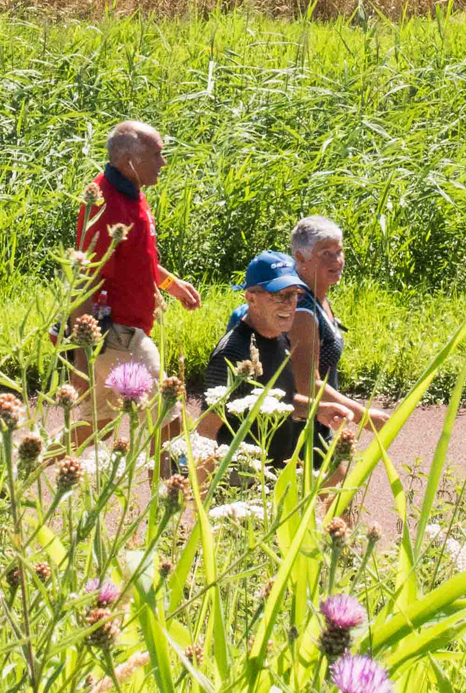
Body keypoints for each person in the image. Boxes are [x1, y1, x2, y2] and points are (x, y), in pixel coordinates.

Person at [69, 121, 201, 446]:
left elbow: (136, 258)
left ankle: (28, 470)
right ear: (129, 161)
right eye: (156, 154)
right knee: (167, 419)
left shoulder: (131, 191)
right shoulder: (104, 204)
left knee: (95, 426)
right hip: (119, 336)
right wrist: (80, 361)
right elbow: (86, 280)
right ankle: (168, 494)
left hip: (124, 333)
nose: (163, 162)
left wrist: (171, 283)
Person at [196, 252, 350, 468]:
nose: (289, 304)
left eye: (295, 293)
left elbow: (278, 399)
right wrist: (202, 496)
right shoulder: (232, 354)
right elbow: (206, 431)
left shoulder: (278, 338)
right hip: (240, 483)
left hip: (275, 478)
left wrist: (319, 409)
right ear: (251, 298)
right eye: (279, 295)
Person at [285, 216, 390, 447]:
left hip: (318, 419)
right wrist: (364, 416)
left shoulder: (318, 297)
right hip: (296, 428)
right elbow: (308, 386)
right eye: (326, 254)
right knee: (332, 476)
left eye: (339, 251)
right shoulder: (302, 311)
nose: (338, 260)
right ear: (301, 257)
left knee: (337, 474)